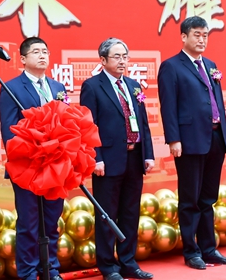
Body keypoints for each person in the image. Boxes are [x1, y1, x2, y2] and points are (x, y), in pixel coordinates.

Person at [157, 17, 226, 270]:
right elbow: (168, 106)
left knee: (208, 198)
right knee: (190, 199)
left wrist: (225, 134)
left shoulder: (210, 65)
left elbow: (217, 101)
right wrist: (174, 139)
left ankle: (209, 249)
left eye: (205, 35)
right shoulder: (171, 66)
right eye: (197, 35)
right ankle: (191, 252)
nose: (202, 40)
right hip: (189, 141)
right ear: (184, 37)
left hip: (215, 137)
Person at [81, 38, 154, 280]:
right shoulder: (93, 86)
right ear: (103, 60)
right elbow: (88, 126)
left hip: (134, 158)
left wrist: (148, 154)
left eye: (125, 56)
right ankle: (108, 267)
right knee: (107, 215)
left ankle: (128, 262)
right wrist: (96, 157)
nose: (122, 61)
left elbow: (143, 123)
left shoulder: (133, 85)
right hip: (108, 160)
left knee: (130, 213)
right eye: (117, 56)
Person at [0, 37, 67, 280]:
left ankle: (50, 269)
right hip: (27, 166)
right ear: (23, 59)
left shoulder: (57, 87)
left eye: (45, 51)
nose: (42, 55)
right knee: (29, 223)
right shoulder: (11, 88)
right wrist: (33, 152)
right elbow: (9, 130)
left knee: (51, 220)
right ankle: (28, 272)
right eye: (36, 51)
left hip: (55, 165)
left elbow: (67, 123)